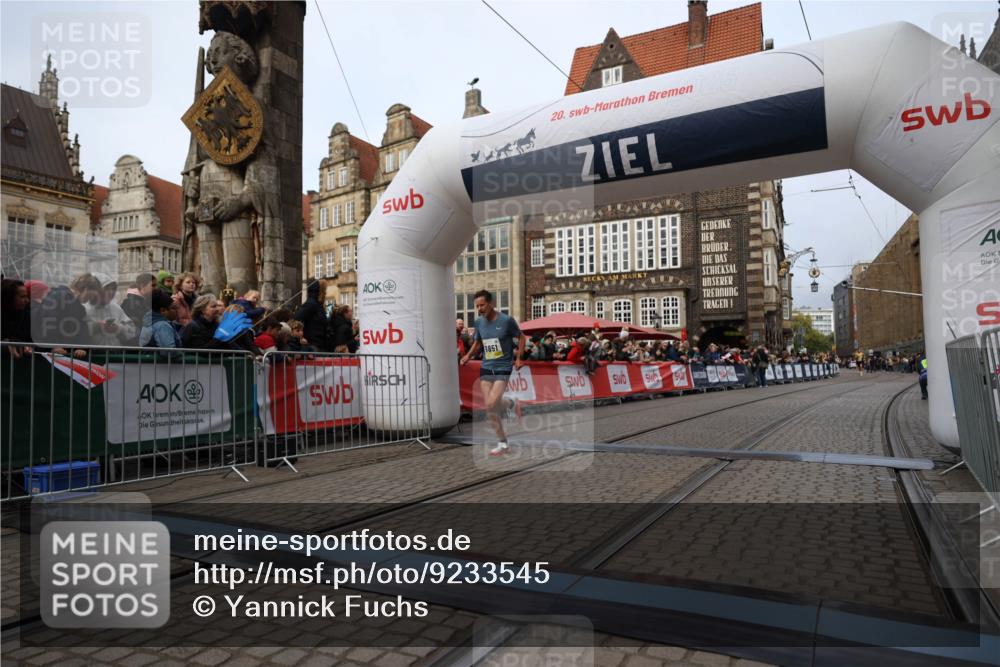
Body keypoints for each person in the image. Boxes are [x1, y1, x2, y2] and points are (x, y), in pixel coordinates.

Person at [459, 289, 526, 457]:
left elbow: (522, 337)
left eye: (482, 305)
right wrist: (467, 356)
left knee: (491, 404)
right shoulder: (479, 322)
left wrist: (519, 358)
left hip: (503, 366)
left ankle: (508, 405)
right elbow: (478, 343)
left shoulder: (506, 320)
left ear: (492, 303)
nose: (480, 308)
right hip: (487, 366)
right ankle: (503, 441)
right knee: (490, 407)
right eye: (477, 306)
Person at [85, 273, 136, 347]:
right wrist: (97, 327)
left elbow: (132, 331)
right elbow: (76, 332)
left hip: (116, 355)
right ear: (96, 290)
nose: (111, 292)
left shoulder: (116, 308)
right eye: (106, 289)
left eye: (113, 289)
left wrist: (119, 329)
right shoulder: (84, 308)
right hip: (92, 355)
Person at [294, 280, 328, 352]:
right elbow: (297, 318)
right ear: (319, 290)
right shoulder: (311, 304)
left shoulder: (318, 304)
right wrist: (301, 337)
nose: (326, 292)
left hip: (319, 343)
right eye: (324, 290)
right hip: (312, 343)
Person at [1, 279, 33, 357]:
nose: (27, 300)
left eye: (27, 296)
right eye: (22, 297)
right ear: (9, 298)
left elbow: (38, 342)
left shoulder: (28, 317)